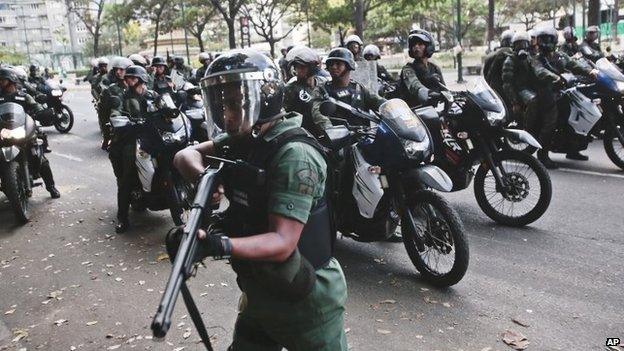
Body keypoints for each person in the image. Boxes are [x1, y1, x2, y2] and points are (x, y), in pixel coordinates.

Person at [171, 49, 348, 350]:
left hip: (307, 299)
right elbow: (183, 156)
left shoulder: (295, 155)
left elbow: (282, 244)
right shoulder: (245, 139)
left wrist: (217, 245)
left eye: (235, 105)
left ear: (264, 99)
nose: (226, 116)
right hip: (262, 291)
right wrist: (203, 178)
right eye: (221, 104)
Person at [532, 26, 599, 168]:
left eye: (548, 39)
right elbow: (540, 72)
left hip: (563, 91)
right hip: (546, 92)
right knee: (551, 120)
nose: (545, 42)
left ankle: (573, 150)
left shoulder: (560, 56)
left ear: (554, 40)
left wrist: (590, 72)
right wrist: (555, 77)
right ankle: (542, 155)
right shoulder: (537, 58)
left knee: (575, 116)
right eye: (543, 39)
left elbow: (574, 65)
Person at [108, 65, 157, 233]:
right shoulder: (123, 96)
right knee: (126, 177)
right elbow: (116, 111)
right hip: (132, 137)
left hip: (153, 136)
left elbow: (166, 105)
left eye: (132, 78)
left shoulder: (151, 95)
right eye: (127, 78)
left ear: (141, 79)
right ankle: (122, 217)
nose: (128, 80)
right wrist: (118, 119)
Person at [0, 67, 60, 198]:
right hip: (4, 133)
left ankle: (51, 187)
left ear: (11, 80)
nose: (0, 83)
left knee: (41, 159)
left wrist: (43, 113)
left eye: (2, 80)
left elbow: (36, 107)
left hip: (23, 130)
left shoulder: (23, 96)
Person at [310, 47, 386, 129]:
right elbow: (318, 115)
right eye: (331, 64)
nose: (334, 67)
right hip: (338, 139)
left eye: (338, 64)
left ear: (349, 66)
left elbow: (380, 103)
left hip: (365, 137)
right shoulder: (322, 90)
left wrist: (395, 110)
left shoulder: (359, 88)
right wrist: (331, 130)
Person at [283, 46, 329, 138]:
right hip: (303, 136)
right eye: (296, 67)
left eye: (302, 67)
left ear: (312, 68)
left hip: (326, 132)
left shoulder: (323, 83)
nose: (298, 70)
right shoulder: (290, 88)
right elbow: (284, 113)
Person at [502, 31, 540, 134]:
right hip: (520, 89)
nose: (522, 47)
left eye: (524, 44)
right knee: (533, 101)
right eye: (518, 44)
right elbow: (507, 84)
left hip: (529, 87)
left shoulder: (530, 58)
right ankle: (527, 129)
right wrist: (514, 102)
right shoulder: (510, 60)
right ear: (513, 46)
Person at [398, 29, 445, 107]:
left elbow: (444, 88)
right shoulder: (408, 69)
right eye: (413, 45)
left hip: (431, 111)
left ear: (428, 47)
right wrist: (427, 92)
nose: (416, 47)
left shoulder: (435, 68)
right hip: (413, 112)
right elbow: (414, 85)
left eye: (420, 44)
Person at [98, 57, 132, 151]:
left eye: (121, 69)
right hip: (117, 120)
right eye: (116, 69)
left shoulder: (134, 85)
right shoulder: (112, 88)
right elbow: (106, 111)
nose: (118, 72)